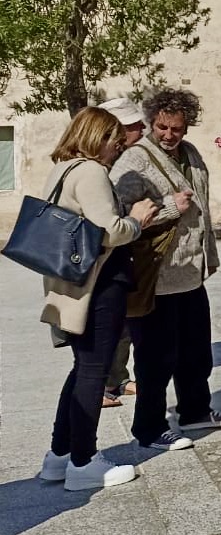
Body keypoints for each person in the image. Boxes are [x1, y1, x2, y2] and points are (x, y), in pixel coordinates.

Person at [112, 89, 221, 451]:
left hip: (190, 271)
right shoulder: (133, 160)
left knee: (196, 351)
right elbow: (121, 216)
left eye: (177, 128)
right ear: (152, 122)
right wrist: (168, 207)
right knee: (155, 358)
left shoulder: (192, 154)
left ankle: (195, 410)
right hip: (156, 275)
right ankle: (150, 428)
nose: (169, 135)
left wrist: (210, 255)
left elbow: (203, 210)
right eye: (163, 127)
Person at [37, 107, 158, 490]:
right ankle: (84, 462)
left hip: (73, 283)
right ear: (96, 137)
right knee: (94, 370)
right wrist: (138, 218)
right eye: (114, 140)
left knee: (81, 368)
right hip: (99, 284)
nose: (117, 148)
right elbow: (110, 231)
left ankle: (59, 455)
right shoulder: (90, 171)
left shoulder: (63, 168)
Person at [99, 97, 146, 409]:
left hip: (127, 252)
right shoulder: (98, 168)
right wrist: (137, 219)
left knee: (126, 324)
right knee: (104, 326)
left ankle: (117, 377)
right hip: (103, 258)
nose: (140, 131)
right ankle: (99, 383)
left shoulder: (128, 160)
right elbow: (108, 224)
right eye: (132, 127)